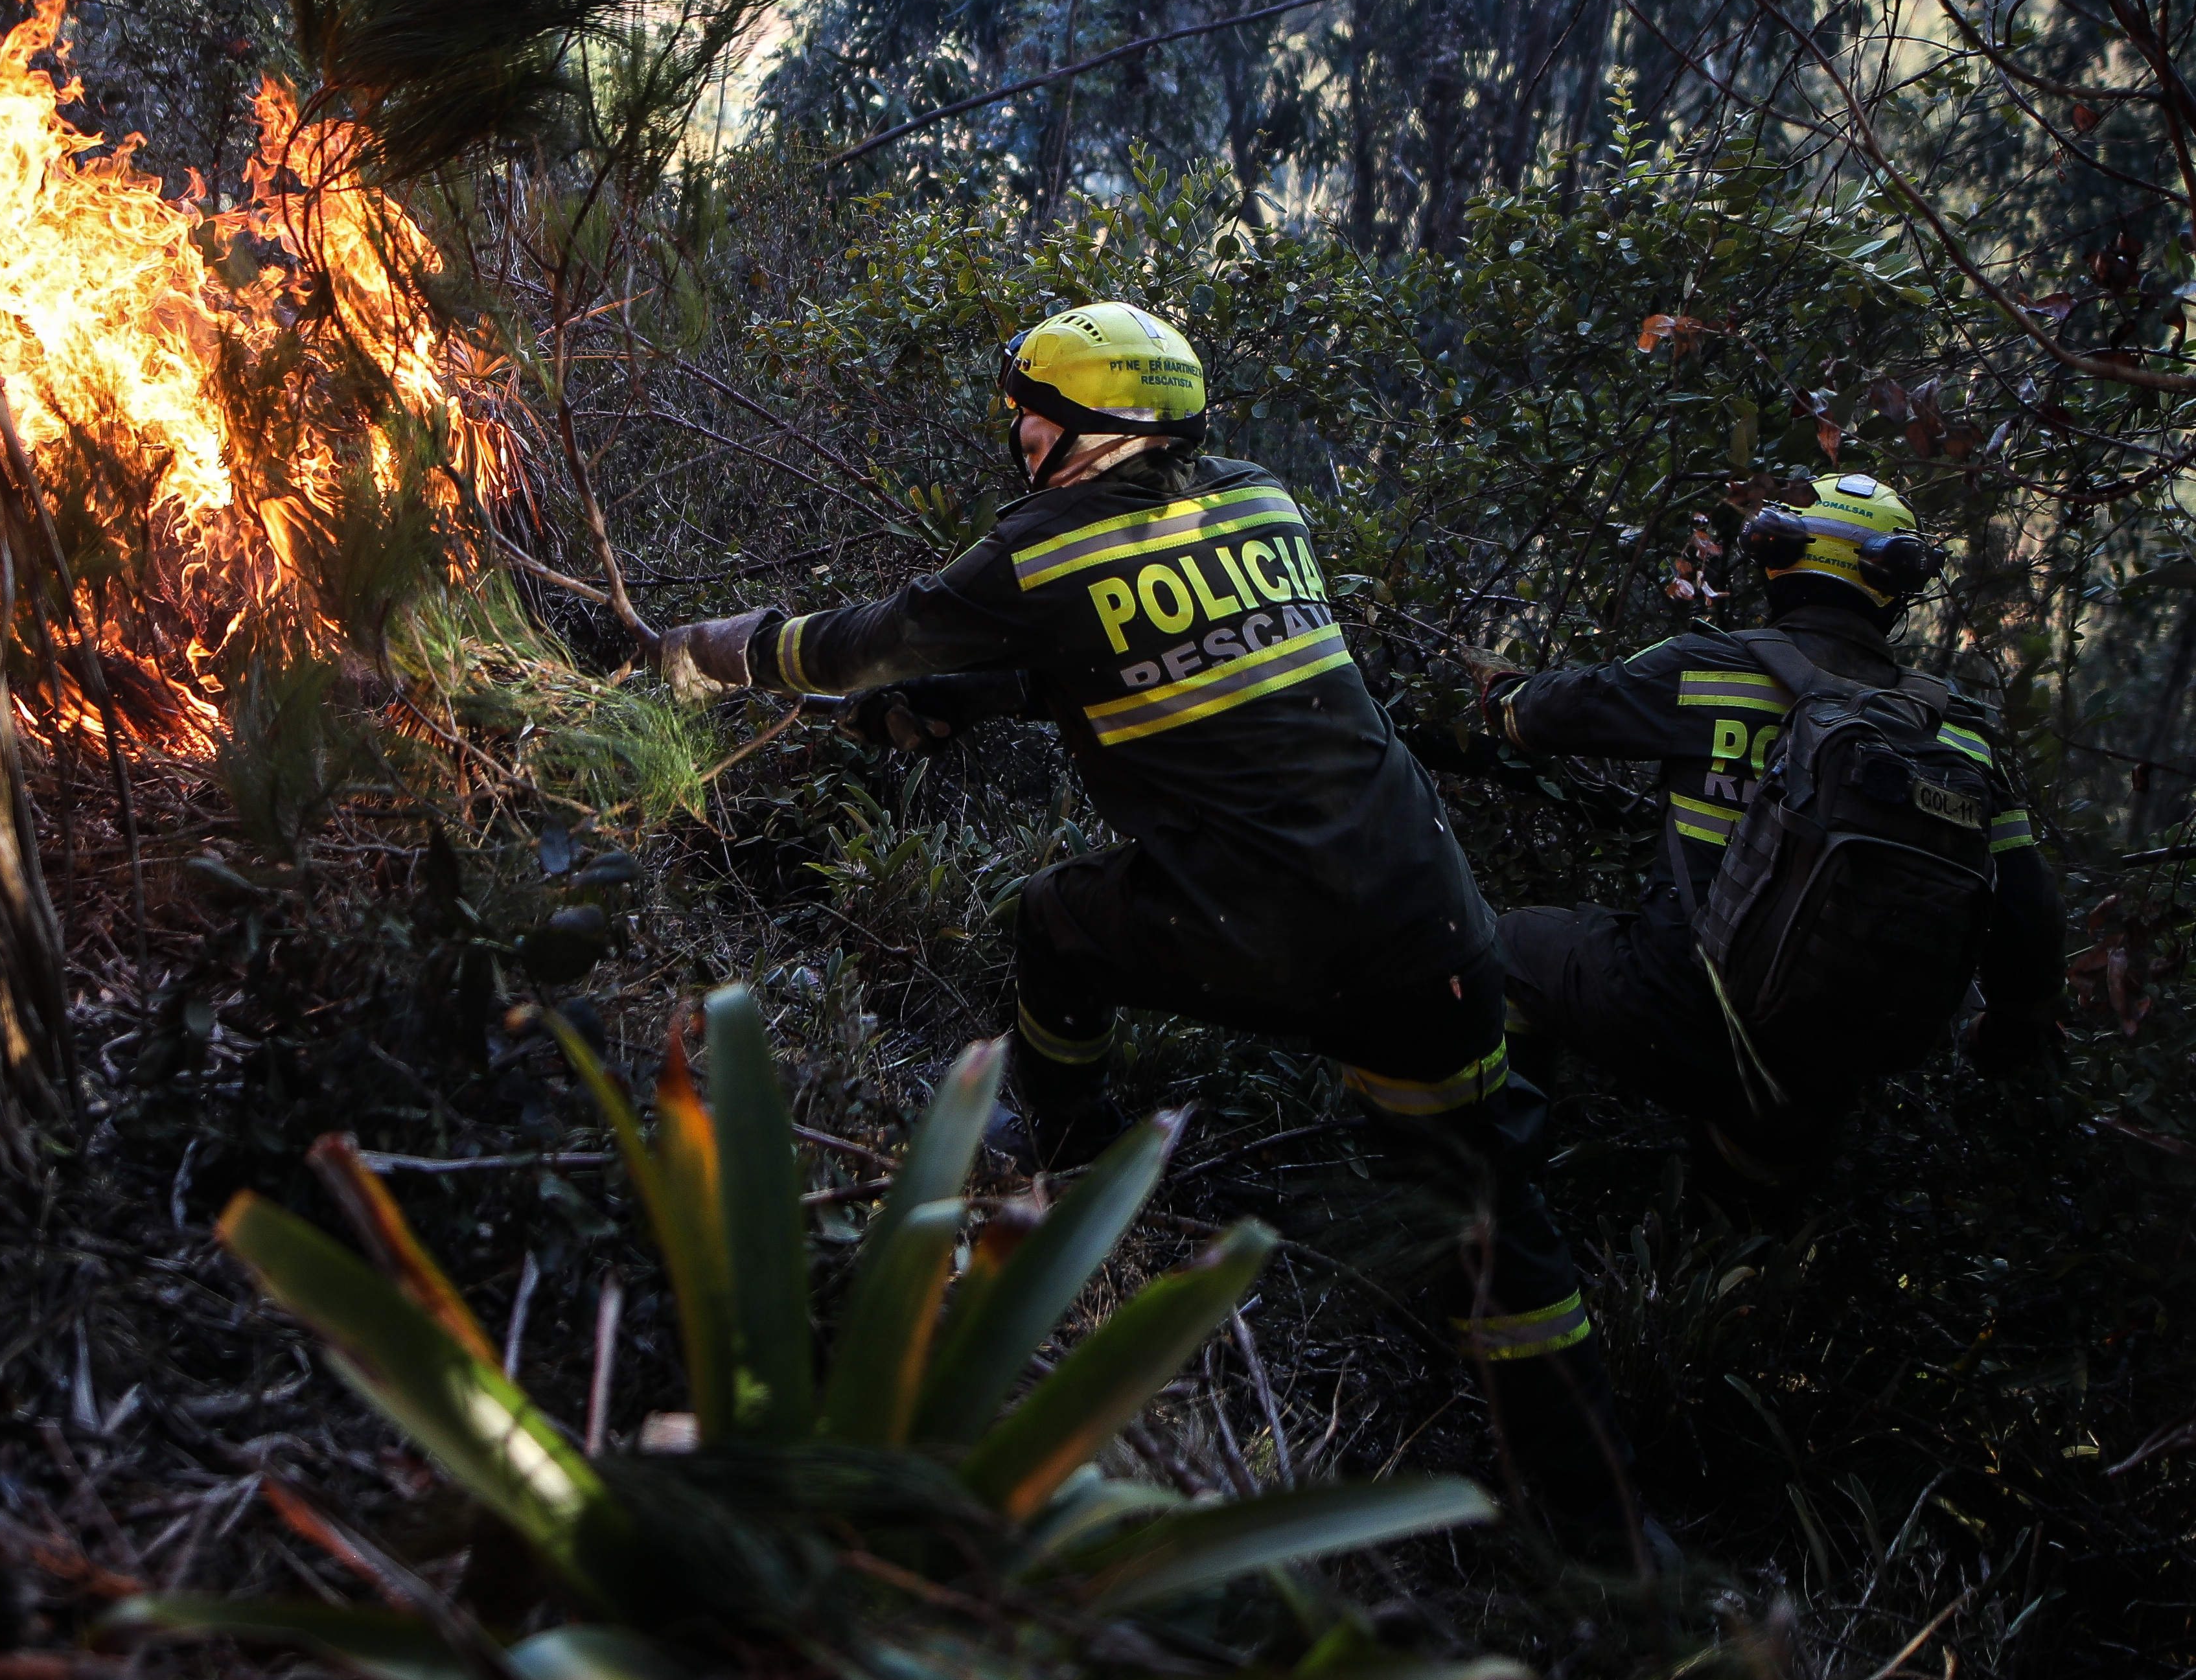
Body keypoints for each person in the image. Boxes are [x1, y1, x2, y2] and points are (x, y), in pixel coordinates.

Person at [648, 302, 1644, 1547]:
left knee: (1061, 923)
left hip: (1272, 925)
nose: (1018, 432)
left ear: (1096, 431)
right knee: (1490, 1209)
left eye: (1036, 413)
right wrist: (968, 701)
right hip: (1430, 920)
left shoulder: (1043, 549)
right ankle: (1600, 1524)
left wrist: (709, 651)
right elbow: (1135, 642)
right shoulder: (1260, 501)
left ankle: (1061, 1140)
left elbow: (866, 649)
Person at [1423, 472, 2066, 1224]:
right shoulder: (1962, 733)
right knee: (1742, 1236)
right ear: (1895, 583)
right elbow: (2029, 916)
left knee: (1509, 950)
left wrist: (1497, 690)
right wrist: (2010, 1035)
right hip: (1816, 1067)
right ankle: (1729, 1279)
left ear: (1777, 556)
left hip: (1671, 1010)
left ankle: (1494, 1208)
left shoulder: (1707, 664)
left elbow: (1540, 717)